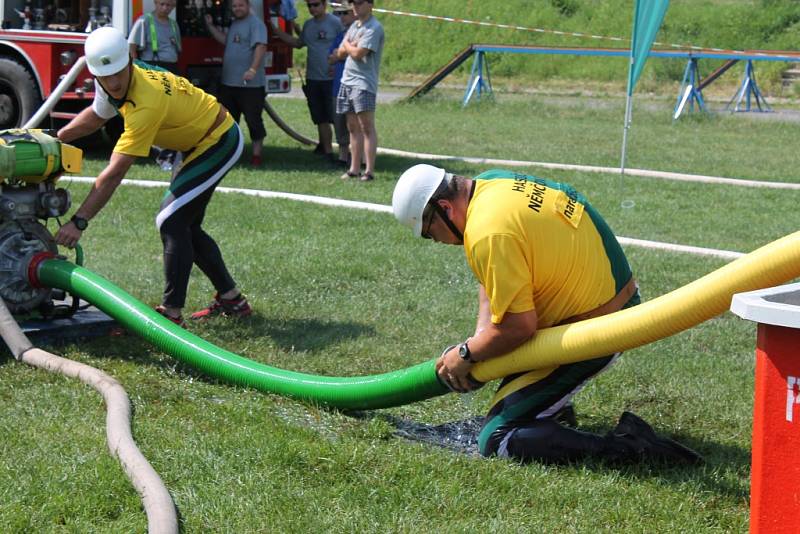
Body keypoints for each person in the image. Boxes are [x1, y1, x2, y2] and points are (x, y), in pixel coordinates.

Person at [392, 164, 702, 465]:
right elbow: (493, 282)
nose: (436, 241)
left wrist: (465, 354)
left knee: (496, 438)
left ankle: (631, 447)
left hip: (597, 329)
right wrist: (478, 346)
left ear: (445, 207)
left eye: (428, 232)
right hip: (607, 302)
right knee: (510, 406)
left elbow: (519, 328)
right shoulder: (490, 185)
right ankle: (549, 412)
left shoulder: (487, 231)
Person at [55, 26, 252, 326]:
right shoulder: (112, 75)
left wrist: (79, 221)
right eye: (104, 77)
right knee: (184, 225)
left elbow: (115, 171)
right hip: (197, 140)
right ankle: (232, 300)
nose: (113, 82)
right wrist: (60, 137)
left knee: (171, 220)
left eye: (118, 73)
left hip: (218, 140)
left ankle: (171, 316)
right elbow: (98, 114)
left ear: (130, 60)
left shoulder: (145, 102)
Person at [272, 0, 343, 158]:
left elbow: (345, 45)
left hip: (331, 78)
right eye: (309, 5)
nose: (312, 8)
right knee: (319, 116)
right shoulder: (309, 25)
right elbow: (298, 43)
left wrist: (337, 65)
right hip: (313, 78)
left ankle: (343, 151)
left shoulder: (336, 23)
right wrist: (276, 31)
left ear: (324, 4)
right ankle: (326, 150)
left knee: (336, 117)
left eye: (316, 4)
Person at [205, 0, 268, 167]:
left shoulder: (256, 24)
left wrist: (253, 70)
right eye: (234, 6)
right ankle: (229, 155)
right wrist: (210, 26)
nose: (237, 9)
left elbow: (261, 47)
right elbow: (226, 41)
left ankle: (256, 156)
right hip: (229, 83)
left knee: (254, 121)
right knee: (228, 121)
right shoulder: (235, 24)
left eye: (240, 5)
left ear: (248, 6)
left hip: (250, 85)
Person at [332, 0, 383, 182]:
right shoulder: (354, 25)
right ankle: (354, 169)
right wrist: (349, 44)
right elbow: (339, 53)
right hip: (347, 81)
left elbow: (357, 54)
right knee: (352, 127)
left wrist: (348, 45)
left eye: (360, 3)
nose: (355, 7)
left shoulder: (374, 28)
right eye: (354, 3)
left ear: (370, 4)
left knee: (366, 127)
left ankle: (369, 171)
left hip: (363, 84)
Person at [328, 2, 355, 167]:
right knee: (338, 123)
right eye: (339, 14)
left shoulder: (362, 32)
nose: (341, 17)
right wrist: (341, 54)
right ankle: (343, 156)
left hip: (355, 85)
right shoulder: (340, 35)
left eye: (345, 13)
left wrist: (341, 53)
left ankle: (358, 158)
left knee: (355, 124)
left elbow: (357, 54)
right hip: (338, 86)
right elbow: (331, 56)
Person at [128, 0, 181, 73]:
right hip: (152, 67)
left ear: (173, 7)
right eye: (162, 4)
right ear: (155, 3)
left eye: (168, 5)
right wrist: (136, 69)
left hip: (172, 67)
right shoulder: (144, 20)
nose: (165, 8)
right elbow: (132, 48)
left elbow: (177, 48)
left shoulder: (174, 24)